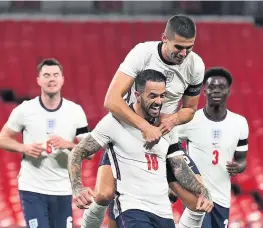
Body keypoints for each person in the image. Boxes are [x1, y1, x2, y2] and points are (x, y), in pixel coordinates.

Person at [88, 14, 206, 227]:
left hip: (165, 139)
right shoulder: (142, 53)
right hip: (128, 132)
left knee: (201, 195)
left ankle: (168, 186)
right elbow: (111, 100)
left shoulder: (195, 65)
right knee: (105, 194)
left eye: (189, 47)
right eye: (179, 47)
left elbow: (190, 109)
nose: (184, 53)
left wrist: (173, 120)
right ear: (164, 38)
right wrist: (144, 126)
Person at [68, 69, 213, 228]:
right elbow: (78, 152)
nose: (158, 101)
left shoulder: (166, 126)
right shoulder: (114, 122)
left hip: (163, 212)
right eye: (152, 96)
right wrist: (77, 187)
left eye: (162, 96)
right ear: (137, 95)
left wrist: (202, 190)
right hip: (131, 208)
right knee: (104, 195)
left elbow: (179, 168)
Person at [0, 59, 89, 228]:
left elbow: (90, 152)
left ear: (62, 79)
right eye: (46, 75)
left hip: (63, 189)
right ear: (38, 80)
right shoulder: (24, 110)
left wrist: (68, 144)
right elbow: (2, 138)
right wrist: (22, 147)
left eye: (55, 75)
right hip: (32, 188)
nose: (51, 79)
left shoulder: (75, 111)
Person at [176, 68, 249, 228]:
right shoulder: (190, 120)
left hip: (222, 197)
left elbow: (242, 160)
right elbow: (169, 145)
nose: (216, 90)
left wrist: (238, 167)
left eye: (221, 87)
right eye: (211, 87)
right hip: (197, 195)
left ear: (228, 91)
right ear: (205, 91)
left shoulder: (239, 123)